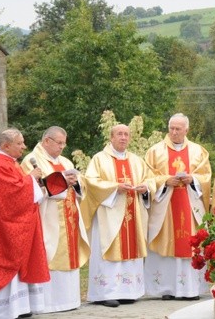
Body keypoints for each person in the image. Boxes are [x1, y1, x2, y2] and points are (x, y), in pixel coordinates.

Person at [0, 128, 52, 319]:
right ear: (6, 145)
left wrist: (31, 183)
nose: (24, 147)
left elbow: (18, 189)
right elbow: (10, 194)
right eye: (19, 143)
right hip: (3, 227)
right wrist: (31, 179)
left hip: (16, 222)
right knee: (6, 263)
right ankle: (4, 309)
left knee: (22, 264)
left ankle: (20, 307)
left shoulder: (10, 162)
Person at [82, 124, 156, 308]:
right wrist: (115, 188)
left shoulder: (137, 160)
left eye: (126, 134)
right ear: (111, 137)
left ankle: (129, 291)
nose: (123, 137)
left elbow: (150, 179)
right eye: (119, 134)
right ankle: (106, 293)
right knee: (108, 247)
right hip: (109, 214)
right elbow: (91, 182)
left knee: (131, 247)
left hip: (133, 213)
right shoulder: (100, 159)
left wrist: (145, 188)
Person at [21, 126, 88, 313]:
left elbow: (81, 186)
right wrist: (59, 183)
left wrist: (77, 183)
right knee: (50, 254)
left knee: (69, 256)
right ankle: (49, 303)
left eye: (64, 144)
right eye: (59, 143)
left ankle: (69, 300)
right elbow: (29, 190)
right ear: (46, 141)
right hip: (48, 217)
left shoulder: (65, 161)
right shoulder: (31, 161)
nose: (62, 147)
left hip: (70, 217)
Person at [144, 114, 211, 300]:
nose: (174, 132)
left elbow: (206, 178)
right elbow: (148, 178)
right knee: (167, 244)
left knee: (191, 244)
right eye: (171, 128)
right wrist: (166, 181)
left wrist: (193, 180)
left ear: (186, 130)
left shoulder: (198, 151)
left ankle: (191, 289)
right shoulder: (155, 151)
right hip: (166, 206)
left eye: (178, 129)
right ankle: (167, 289)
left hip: (190, 205)